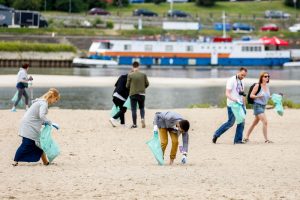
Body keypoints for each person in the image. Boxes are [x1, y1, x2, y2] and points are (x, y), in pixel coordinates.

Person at [13, 88, 60, 166]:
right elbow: (41, 115)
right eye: (56, 99)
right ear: (52, 96)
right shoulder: (44, 103)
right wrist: (49, 122)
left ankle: (45, 162)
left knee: (39, 143)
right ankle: (15, 161)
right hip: (29, 125)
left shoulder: (40, 101)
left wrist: (44, 123)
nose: (56, 101)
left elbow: (36, 116)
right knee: (27, 143)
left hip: (28, 124)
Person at [212, 67, 248, 144]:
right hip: (232, 104)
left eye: (244, 76)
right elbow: (227, 93)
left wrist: (245, 106)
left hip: (240, 104)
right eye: (242, 75)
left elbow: (242, 94)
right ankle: (216, 134)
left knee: (241, 121)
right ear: (238, 72)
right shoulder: (231, 80)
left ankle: (238, 140)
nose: (243, 77)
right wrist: (234, 99)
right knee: (230, 122)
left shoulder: (242, 81)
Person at [244, 72, 272, 143]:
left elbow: (268, 97)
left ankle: (246, 137)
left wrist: (276, 97)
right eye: (265, 76)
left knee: (254, 123)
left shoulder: (267, 87)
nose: (267, 78)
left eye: (268, 76)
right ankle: (266, 140)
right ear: (261, 77)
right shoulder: (257, 85)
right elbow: (251, 95)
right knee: (265, 122)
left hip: (263, 106)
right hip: (257, 106)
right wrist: (259, 96)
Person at [126, 61, 149, 128]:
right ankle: (142, 118)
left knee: (134, 109)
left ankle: (135, 124)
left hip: (133, 94)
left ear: (132, 67)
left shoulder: (130, 75)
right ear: (138, 66)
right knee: (141, 108)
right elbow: (147, 84)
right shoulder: (143, 74)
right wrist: (142, 88)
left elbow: (127, 86)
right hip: (142, 94)